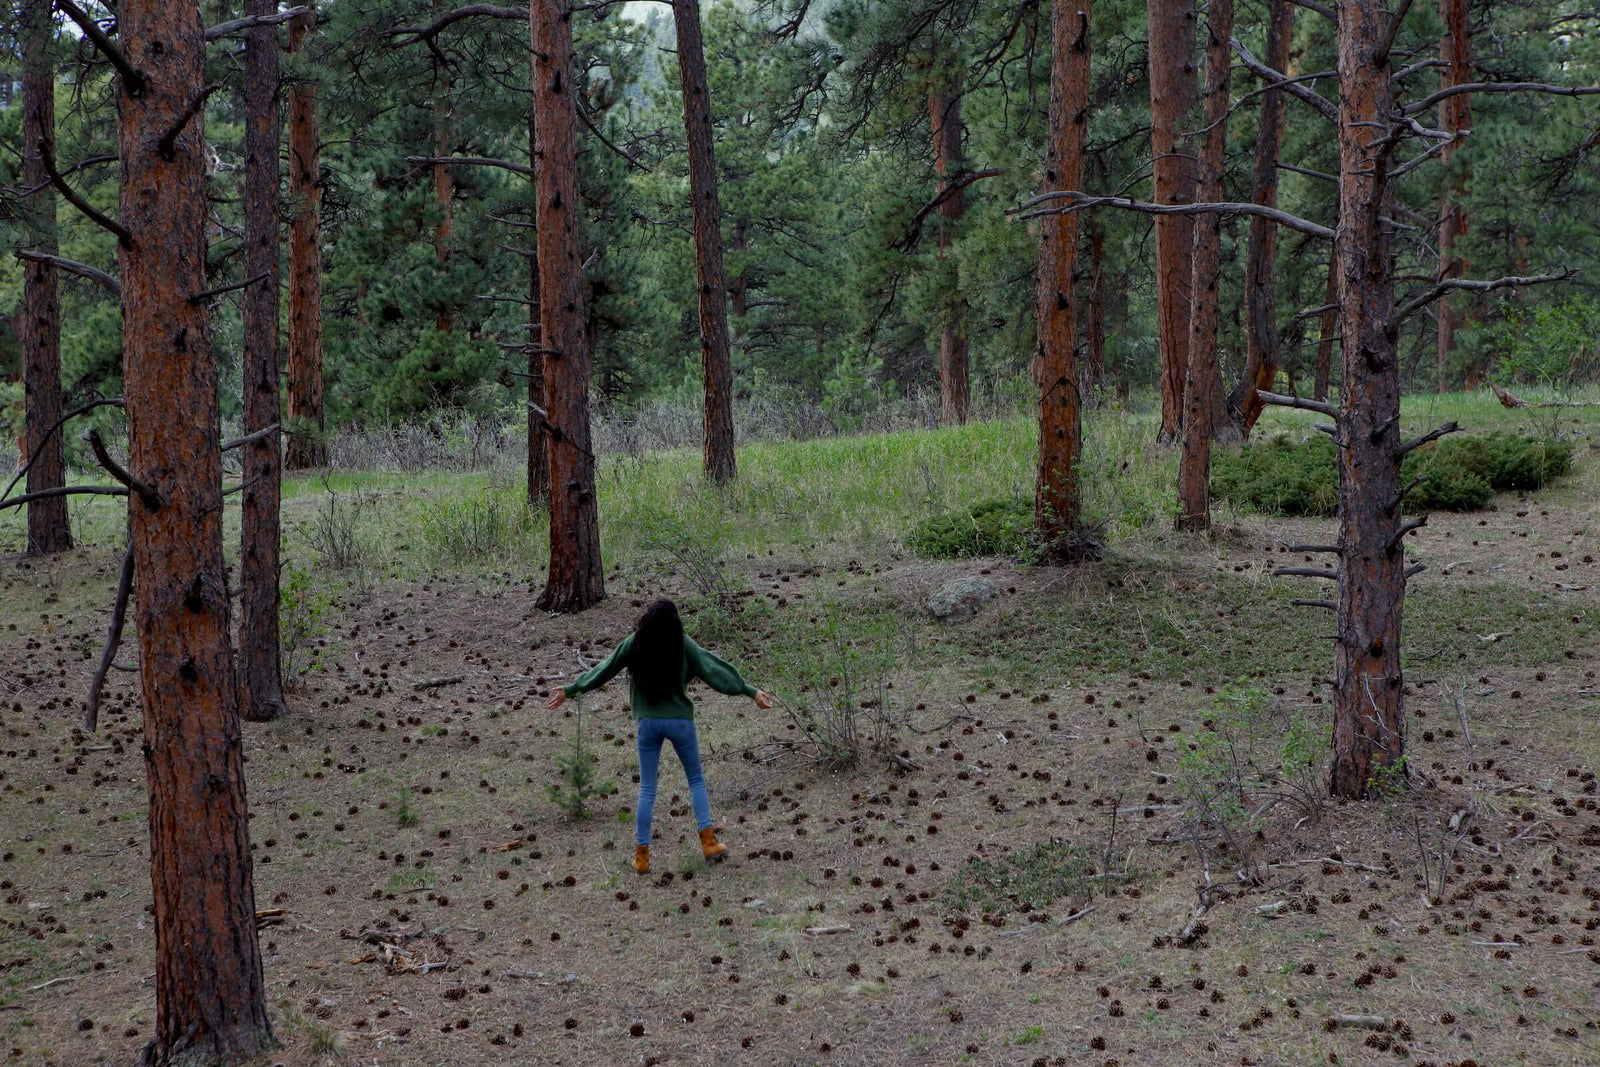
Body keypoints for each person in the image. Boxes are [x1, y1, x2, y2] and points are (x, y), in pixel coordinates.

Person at [545, 598, 773, 874]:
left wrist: (571, 689)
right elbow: (714, 669)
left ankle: (641, 857)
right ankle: (709, 843)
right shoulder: (683, 643)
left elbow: (605, 669)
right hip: (680, 723)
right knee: (696, 780)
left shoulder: (635, 643)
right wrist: (749, 691)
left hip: (648, 724)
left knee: (647, 790)